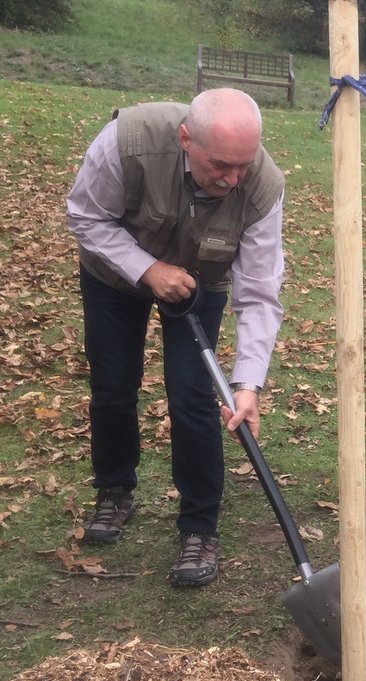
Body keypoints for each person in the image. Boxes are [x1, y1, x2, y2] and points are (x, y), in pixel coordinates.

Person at [67, 88, 286, 588]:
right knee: (114, 383)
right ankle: (115, 489)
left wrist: (249, 385)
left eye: (243, 166)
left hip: (200, 279)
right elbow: (84, 214)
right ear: (186, 138)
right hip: (114, 273)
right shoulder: (129, 141)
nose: (232, 180)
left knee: (192, 396)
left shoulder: (262, 189)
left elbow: (258, 294)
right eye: (220, 165)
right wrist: (147, 269)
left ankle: (199, 526)